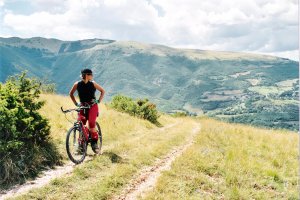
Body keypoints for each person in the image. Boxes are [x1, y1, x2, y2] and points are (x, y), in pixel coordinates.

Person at [69, 68, 105, 154]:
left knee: (92, 123)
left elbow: (102, 91)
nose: (92, 76)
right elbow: (71, 94)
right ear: (86, 75)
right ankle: (81, 145)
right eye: (91, 74)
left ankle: (94, 144)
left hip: (92, 105)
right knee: (81, 124)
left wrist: (98, 101)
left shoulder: (93, 83)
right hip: (83, 105)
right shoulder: (77, 84)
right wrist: (76, 104)